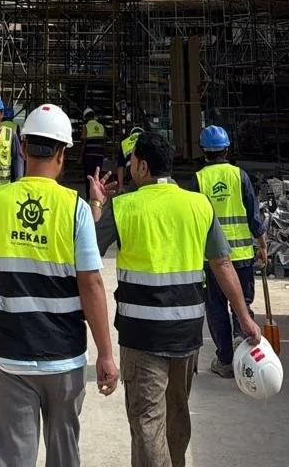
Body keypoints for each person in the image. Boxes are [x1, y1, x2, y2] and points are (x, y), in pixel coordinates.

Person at [90, 131, 260, 467]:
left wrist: (97, 203)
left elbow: (88, 253)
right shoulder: (199, 205)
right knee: (177, 416)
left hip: (142, 336)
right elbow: (222, 264)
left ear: (141, 166)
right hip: (187, 334)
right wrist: (244, 317)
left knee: (147, 422)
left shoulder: (124, 207)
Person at [0, 102, 119, 467]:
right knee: (65, 456)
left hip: (11, 355)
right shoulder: (75, 207)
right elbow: (93, 284)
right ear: (63, 154)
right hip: (64, 357)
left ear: (22, 148)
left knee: (14, 457)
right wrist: (106, 353)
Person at [187, 124, 268, 378]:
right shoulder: (239, 176)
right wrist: (262, 245)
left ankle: (224, 360)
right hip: (242, 257)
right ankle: (244, 354)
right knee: (242, 305)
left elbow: (192, 221)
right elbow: (254, 217)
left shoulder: (198, 180)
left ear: (203, 151)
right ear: (227, 149)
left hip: (211, 260)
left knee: (216, 308)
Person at [81, 106, 106, 198]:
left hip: (89, 155)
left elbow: (83, 143)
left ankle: (89, 196)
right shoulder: (101, 126)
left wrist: (80, 157)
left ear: (86, 117)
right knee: (97, 177)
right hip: (99, 155)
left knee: (89, 177)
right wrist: (104, 154)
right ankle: (97, 195)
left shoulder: (86, 126)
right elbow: (104, 141)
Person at [116, 125, 143, 193]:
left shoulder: (124, 143)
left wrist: (121, 186)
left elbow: (120, 167)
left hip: (132, 175)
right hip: (147, 174)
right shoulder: (146, 138)